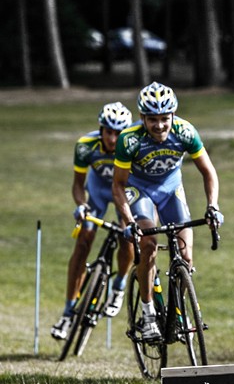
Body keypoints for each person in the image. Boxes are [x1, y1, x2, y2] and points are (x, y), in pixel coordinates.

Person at [112, 81, 223, 342]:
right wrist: (128, 220)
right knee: (149, 243)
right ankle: (148, 313)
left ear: (173, 115)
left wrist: (212, 206)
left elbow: (209, 172)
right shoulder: (129, 140)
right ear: (142, 118)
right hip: (140, 192)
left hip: (171, 190)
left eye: (165, 118)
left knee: (186, 255)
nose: (160, 125)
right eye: (153, 119)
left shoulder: (185, 132)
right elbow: (118, 185)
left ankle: (180, 312)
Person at [51, 102, 134, 340]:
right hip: (97, 193)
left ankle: (119, 284)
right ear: (101, 129)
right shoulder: (85, 146)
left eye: (119, 133)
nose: (113, 138)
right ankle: (68, 312)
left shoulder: (132, 147)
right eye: (108, 132)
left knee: (127, 234)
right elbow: (78, 184)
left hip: (125, 194)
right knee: (83, 242)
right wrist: (81, 205)